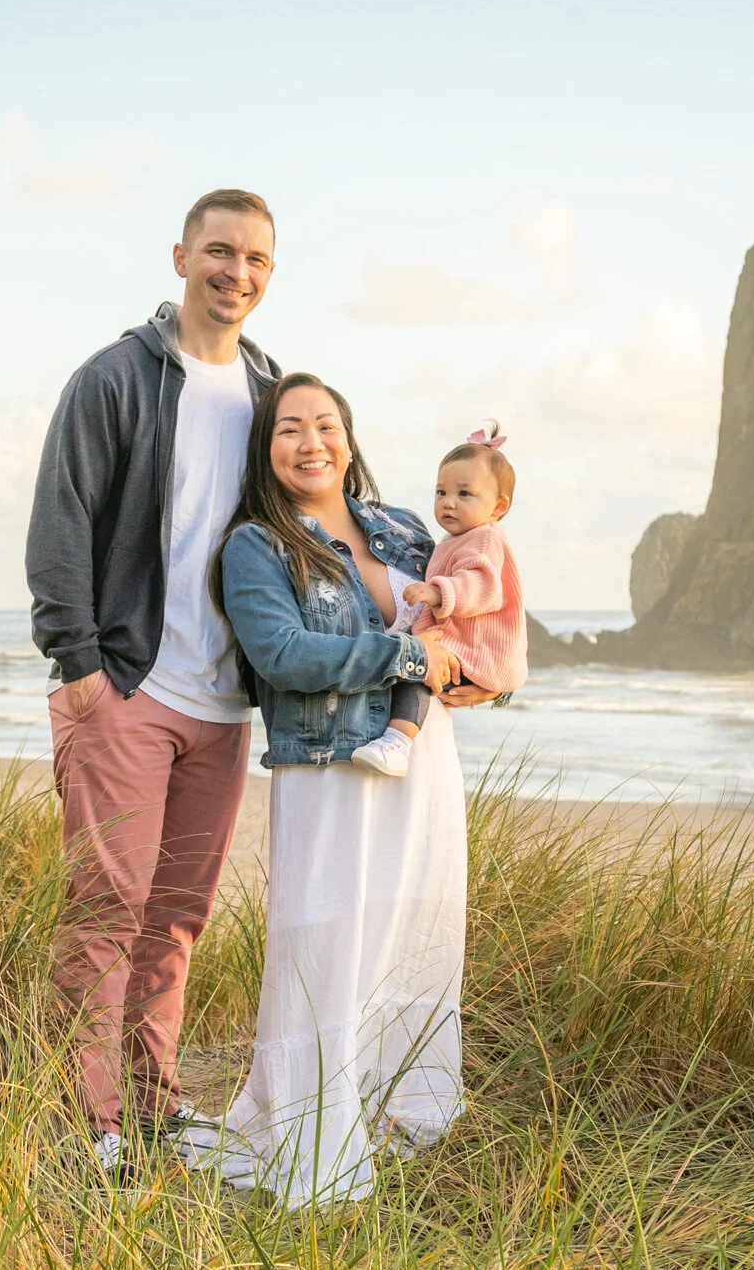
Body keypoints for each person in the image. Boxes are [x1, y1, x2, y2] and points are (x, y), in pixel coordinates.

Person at [25, 188, 282, 1176]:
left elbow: (332, 511)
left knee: (176, 916)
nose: (236, 273)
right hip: (128, 689)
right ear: (180, 256)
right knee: (106, 911)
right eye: (220, 252)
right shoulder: (115, 377)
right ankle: (87, 1116)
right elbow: (60, 522)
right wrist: (81, 666)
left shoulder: (270, 393)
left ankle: (153, 1097)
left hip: (224, 709)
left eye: (255, 260)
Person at [204, 374, 489, 1206]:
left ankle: (399, 1116)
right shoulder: (255, 546)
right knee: (323, 949)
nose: (312, 441)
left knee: (411, 933)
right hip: (328, 767)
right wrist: (406, 660)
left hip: (420, 759)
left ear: (349, 436)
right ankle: (313, 1137)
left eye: (326, 424)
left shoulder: (402, 527)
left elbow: (469, 622)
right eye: (289, 428)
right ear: (267, 449)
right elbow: (284, 655)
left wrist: (482, 678)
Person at [353, 421, 529, 777]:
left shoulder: (485, 538)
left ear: (498, 506)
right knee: (414, 664)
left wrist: (437, 591)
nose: (448, 503)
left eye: (464, 494)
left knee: (416, 672)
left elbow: (482, 585)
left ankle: (398, 742)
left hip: (473, 650)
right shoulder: (455, 539)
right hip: (461, 644)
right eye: (440, 492)